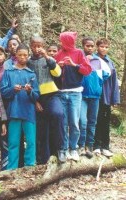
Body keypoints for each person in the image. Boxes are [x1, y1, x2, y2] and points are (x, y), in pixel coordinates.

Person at [0, 44, 40, 170]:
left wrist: (29, 91)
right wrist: (13, 90)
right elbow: (3, 92)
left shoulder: (31, 74)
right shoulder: (8, 72)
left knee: (31, 141)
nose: (22, 57)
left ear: (28, 56)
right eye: (20, 55)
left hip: (29, 112)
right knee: (13, 142)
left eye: (25, 55)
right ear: (15, 56)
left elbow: (36, 95)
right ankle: (11, 168)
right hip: (14, 111)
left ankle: (30, 166)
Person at [54, 32, 92, 162]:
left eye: (62, 41)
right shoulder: (58, 54)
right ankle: (63, 149)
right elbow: (53, 73)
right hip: (61, 92)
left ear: (68, 41)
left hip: (75, 93)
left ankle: (73, 148)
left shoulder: (79, 53)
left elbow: (87, 70)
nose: (61, 43)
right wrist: (57, 66)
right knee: (63, 123)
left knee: (75, 123)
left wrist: (74, 65)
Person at [27, 36, 65, 164]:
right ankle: (44, 159)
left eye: (39, 46)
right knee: (42, 129)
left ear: (43, 46)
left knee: (58, 114)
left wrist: (47, 57)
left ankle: (61, 149)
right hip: (37, 98)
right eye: (34, 46)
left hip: (52, 94)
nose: (37, 49)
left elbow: (58, 73)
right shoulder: (28, 62)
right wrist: (35, 101)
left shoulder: (49, 59)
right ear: (30, 46)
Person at [78, 37, 111, 158]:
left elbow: (107, 74)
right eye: (88, 46)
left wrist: (97, 84)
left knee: (92, 122)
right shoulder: (79, 58)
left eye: (92, 46)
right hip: (82, 95)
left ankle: (89, 146)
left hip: (95, 96)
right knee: (82, 121)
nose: (90, 48)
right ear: (83, 46)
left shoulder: (99, 61)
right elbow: (75, 72)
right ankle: (81, 145)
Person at [93, 38, 120, 157]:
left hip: (107, 97)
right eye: (102, 46)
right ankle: (96, 146)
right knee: (95, 121)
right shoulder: (93, 59)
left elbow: (114, 82)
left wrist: (115, 98)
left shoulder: (110, 62)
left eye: (106, 47)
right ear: (97, 47)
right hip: (95, 96)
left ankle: (105, 146)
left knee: (105, 121)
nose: (104, 49)